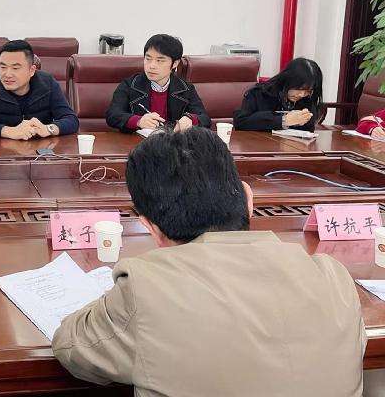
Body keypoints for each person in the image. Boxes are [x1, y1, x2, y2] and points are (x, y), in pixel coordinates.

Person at [52, 127, 365, 397]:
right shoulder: (333, 277)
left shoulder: (145, 288)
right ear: (248, 199)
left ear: (151, 227)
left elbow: (71, 347)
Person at [0, 39, 79, 140]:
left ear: (31, 70)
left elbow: (71, 119)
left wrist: (48, 129)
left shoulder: (47, 83)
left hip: (38, 151)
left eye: (15, 68)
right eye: (3, 67)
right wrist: (10, 131)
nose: (7, 74)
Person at [106, 34, 210, 132]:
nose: (151, 66)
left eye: (160, 60)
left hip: (173, 142)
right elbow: (112, 115)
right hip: (138, 142)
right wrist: (138, 121)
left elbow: (205, 119)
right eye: (148, 58)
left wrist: (190, 119)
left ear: (175, 63)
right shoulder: (130, 85)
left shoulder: (186, 89)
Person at [234, 57, 323, 132]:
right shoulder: (260, 93)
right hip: (259, 144)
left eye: (308, 91)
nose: (302, 94)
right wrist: (283, 120)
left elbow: (307, 131)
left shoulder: (306, 100)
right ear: (287, 79)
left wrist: (304, 120)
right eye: (299, 88)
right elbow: (241, 122)